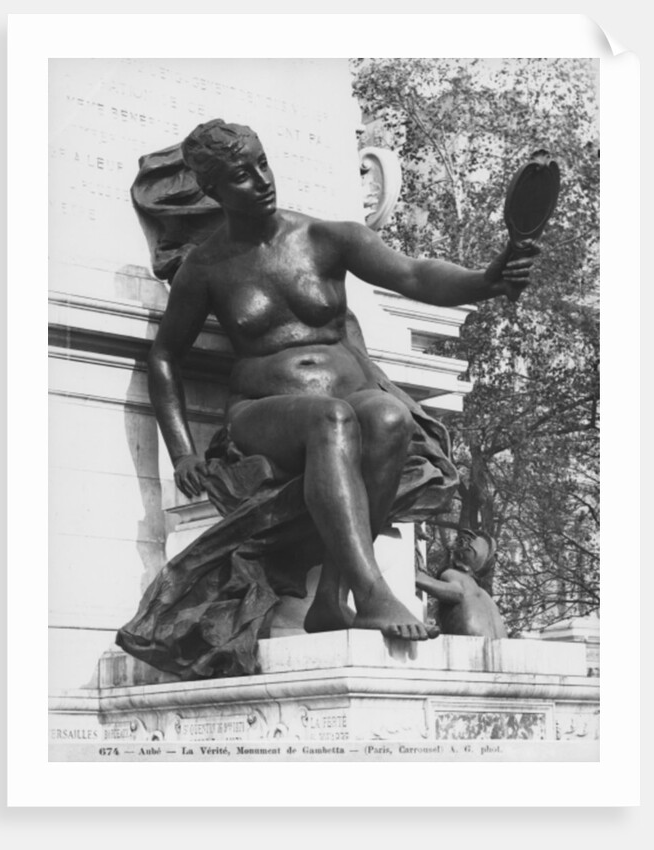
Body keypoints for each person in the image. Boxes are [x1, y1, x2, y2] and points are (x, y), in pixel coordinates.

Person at [116, 119, 536, 678]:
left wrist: (487, 279)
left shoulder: (324, 238)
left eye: (262, 163)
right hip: (262, 416)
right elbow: (165, 356)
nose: (262, 181)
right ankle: (373, 590)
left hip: (347, 403)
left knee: (387, 415)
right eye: (241, 176)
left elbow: (413, 275)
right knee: (333, 419)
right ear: (214, 190)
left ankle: (331, 596)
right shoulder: (206, 267)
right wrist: (183, 450)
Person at [415, 529, 508, 638]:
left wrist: (417, 576)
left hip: (469, 646)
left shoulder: (454, 575)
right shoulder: (486, 597)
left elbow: (457, 592)